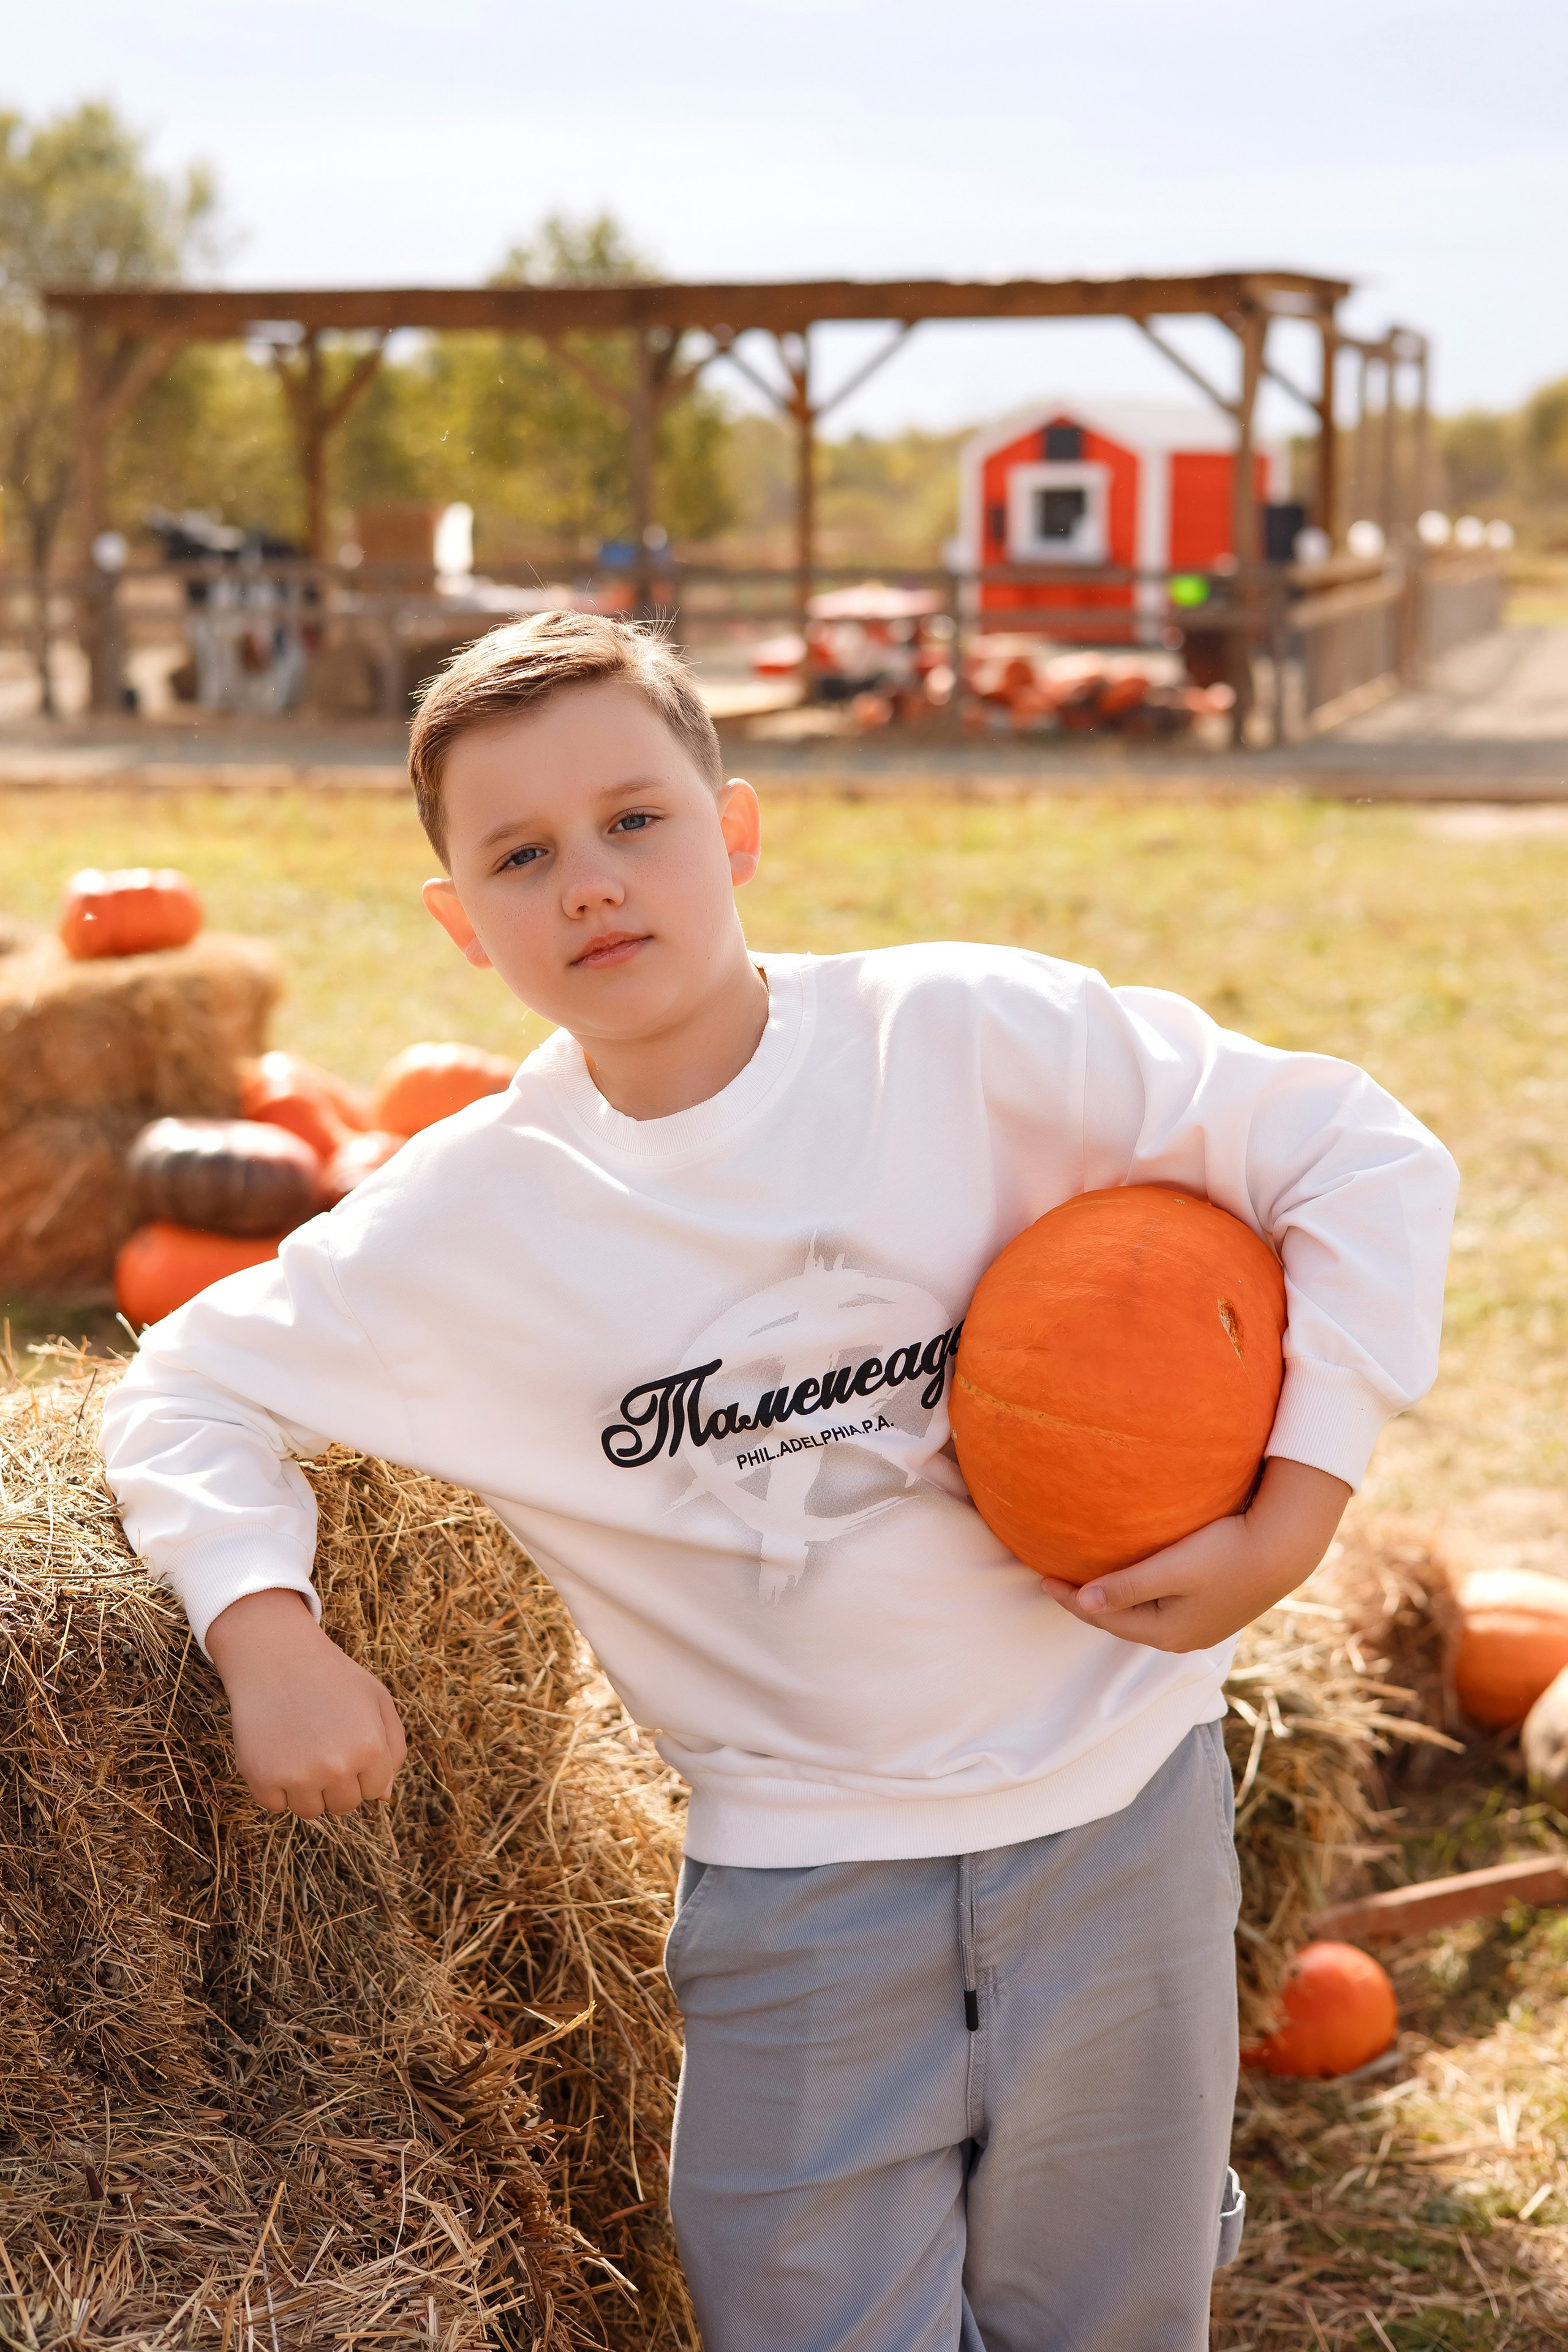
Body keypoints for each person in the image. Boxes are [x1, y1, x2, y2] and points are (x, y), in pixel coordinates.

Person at [102, 612, 1457, 2352]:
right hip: (802, 1888)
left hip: (1123, 1813)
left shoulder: (965, 1039)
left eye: (635, 821)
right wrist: (263, 1628)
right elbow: (187, 1384)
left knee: (1113, 2313)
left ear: (735, 829)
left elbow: (1355, 1153)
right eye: (522, 855)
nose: (589, 882)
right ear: (462, 924)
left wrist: (1299, 1510)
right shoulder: (466, 1224)